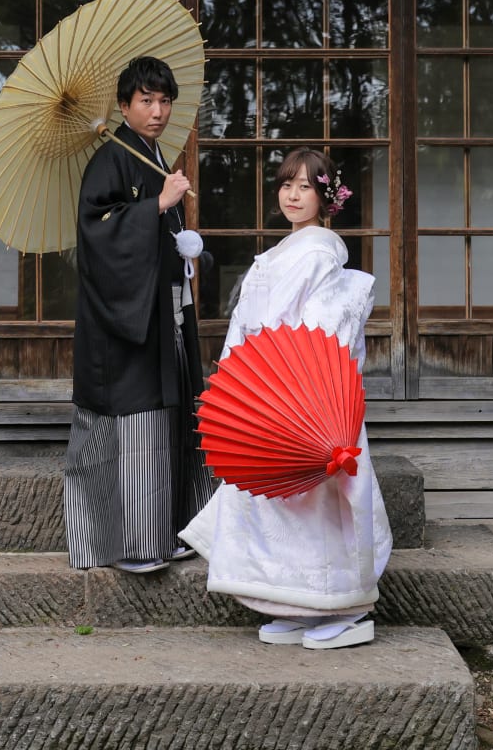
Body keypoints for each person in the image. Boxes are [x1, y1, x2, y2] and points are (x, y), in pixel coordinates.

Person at [180, 147, 393, 649]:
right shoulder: (283, 251)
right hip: (271, 385)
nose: (294, 195)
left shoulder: (319, 251)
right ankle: (296, 605)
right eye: (286, 184)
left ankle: (345, 610)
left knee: (317, 506)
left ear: (326, 197)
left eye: (306, 187)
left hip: (303, 391)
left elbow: (310, 328)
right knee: (279, 505)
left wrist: (272, 372)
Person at [64, 55, 214, 574]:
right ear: (123, 106)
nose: (157, 111)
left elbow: (167, 244)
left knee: (169, 420)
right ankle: (126, 544)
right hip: (123, 327)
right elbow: (96, 233)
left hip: (161, 315)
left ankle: (169, 531)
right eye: (146, 100)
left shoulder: (154, 157)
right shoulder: (111, 158)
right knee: (134, 427)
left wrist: (190, 253)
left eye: (164, 100)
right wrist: (154, 207)